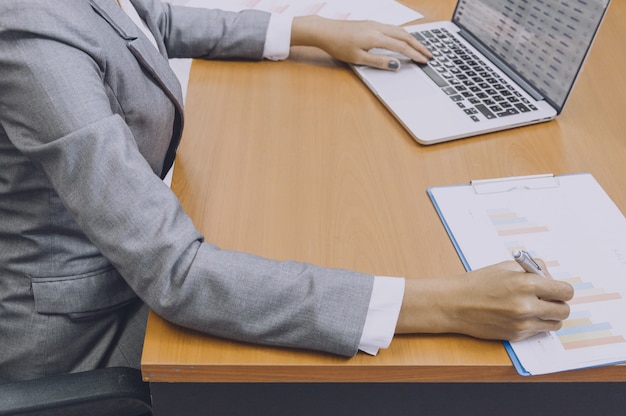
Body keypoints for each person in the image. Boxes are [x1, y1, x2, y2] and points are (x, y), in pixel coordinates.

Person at [0, 0, 574, 383]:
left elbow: (152, 22)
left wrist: (307, 30)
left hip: (129, 261)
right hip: (85, 333)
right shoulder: (32, 42)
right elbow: (178, 277)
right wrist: (442, 304)